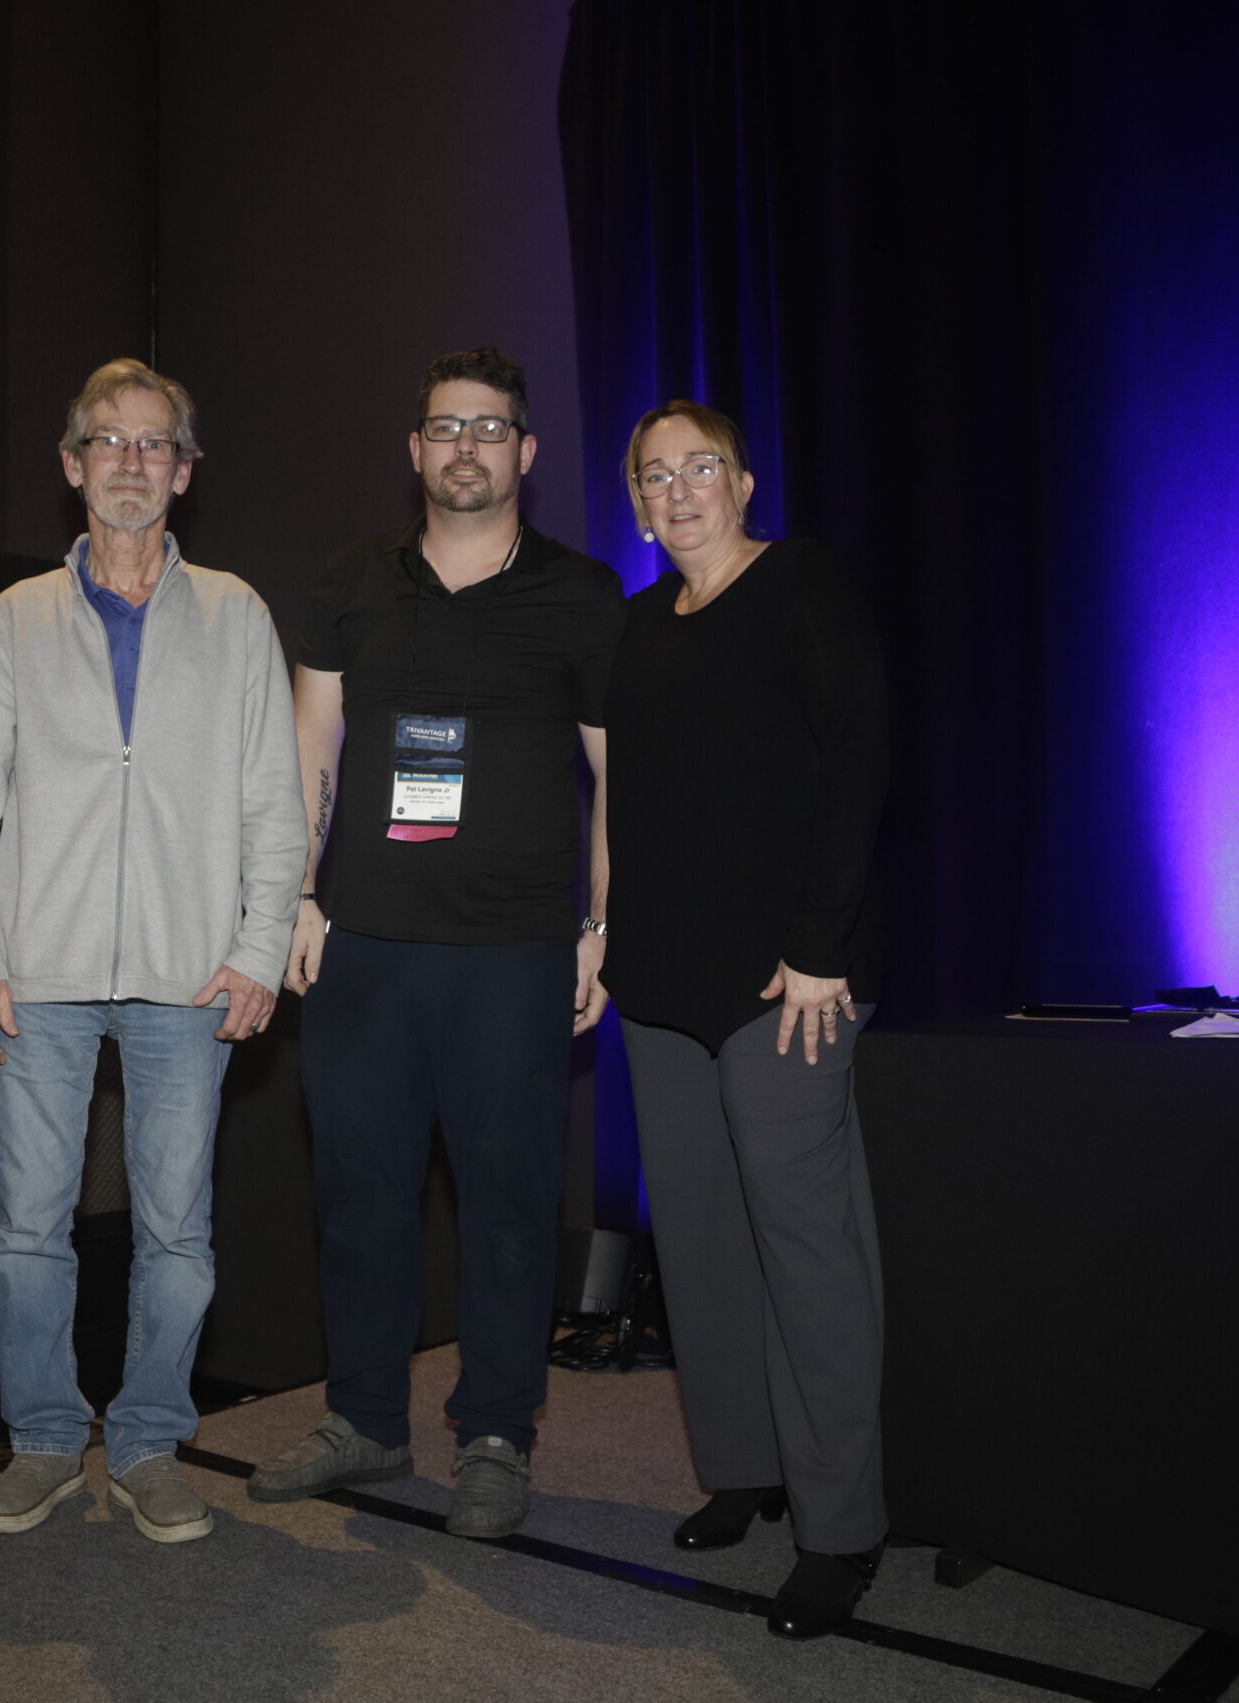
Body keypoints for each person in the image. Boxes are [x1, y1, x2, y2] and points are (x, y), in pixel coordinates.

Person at [250, 347, 624, 1540]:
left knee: (510, 1202)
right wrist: (296, 901)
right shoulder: (351, 580)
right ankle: (364, 1417)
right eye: (443, 426)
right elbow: (313, 745)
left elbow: (619, 778)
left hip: (516, 950)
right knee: (360, 1193)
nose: (465, 445)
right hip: (362, 942)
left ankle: (497, 1435)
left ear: (524, 451)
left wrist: (601, 926)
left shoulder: (583, 592)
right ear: (414, 449)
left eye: (490, 426)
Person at [0, 357, 303, 1546]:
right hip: (32, 978)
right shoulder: (13, 620)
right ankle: (43, 1435)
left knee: (177, 1232)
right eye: (111, 441)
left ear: (184, 472)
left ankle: (148, 1438)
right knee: (29, 1227)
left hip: (189, 975)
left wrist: (257, 948)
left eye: (154, 445)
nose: (132, 462)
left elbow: (275, 801)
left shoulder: (239, 614)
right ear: (72, 464)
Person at [595, 400, 892, 1639]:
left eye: (698, 467)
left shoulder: (799, 583)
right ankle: (744, 1469)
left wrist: (820, 945)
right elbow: (620, 798)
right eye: (653, 475)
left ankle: (841, 1526)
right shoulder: (631, 628)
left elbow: (860, 751)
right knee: (703, 1249)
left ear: (743, 479)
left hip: (785, 986)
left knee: (811, 1256)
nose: (678, 491)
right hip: (657, 987)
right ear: (636, 500)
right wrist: (598, 930)